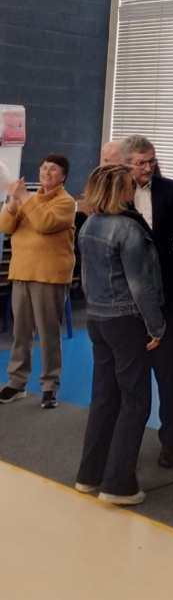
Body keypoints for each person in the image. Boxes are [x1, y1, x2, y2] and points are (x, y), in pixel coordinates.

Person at [75, 163, 165, 506]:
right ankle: (118, 485)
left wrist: (95, 312)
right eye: (129, 186)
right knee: (136, 400)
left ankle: (89, 475)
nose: (134, 190)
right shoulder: (128, 229)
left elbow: (86, 278)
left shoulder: (89, 225)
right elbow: (140, 286)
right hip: (126, 322)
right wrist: (156, 326)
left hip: (97, 320)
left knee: (104, 397)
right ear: (118, 192)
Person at [121, 135, 173, 468]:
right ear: (126, 164)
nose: (148, 168)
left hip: (165, 294)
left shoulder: (168, 189)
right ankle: (121, 439)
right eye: (141, 163)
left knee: (167, 370)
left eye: (151, 161)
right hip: (126, 298)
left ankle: (170, 439)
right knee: (127, 373)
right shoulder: (116, 193)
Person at [0, 153, 75, 410]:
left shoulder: (65, 202)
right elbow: (6, 226)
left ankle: (50, 386)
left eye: (53, 169)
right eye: (43, 168)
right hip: (22, 273)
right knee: (20, 332)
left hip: (50, 275)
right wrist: (13, 200)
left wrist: (23, 197)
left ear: (63, 176)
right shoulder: (28, 200)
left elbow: (44, 223)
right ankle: (17, 382)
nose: (46, 173)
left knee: (48, 333)